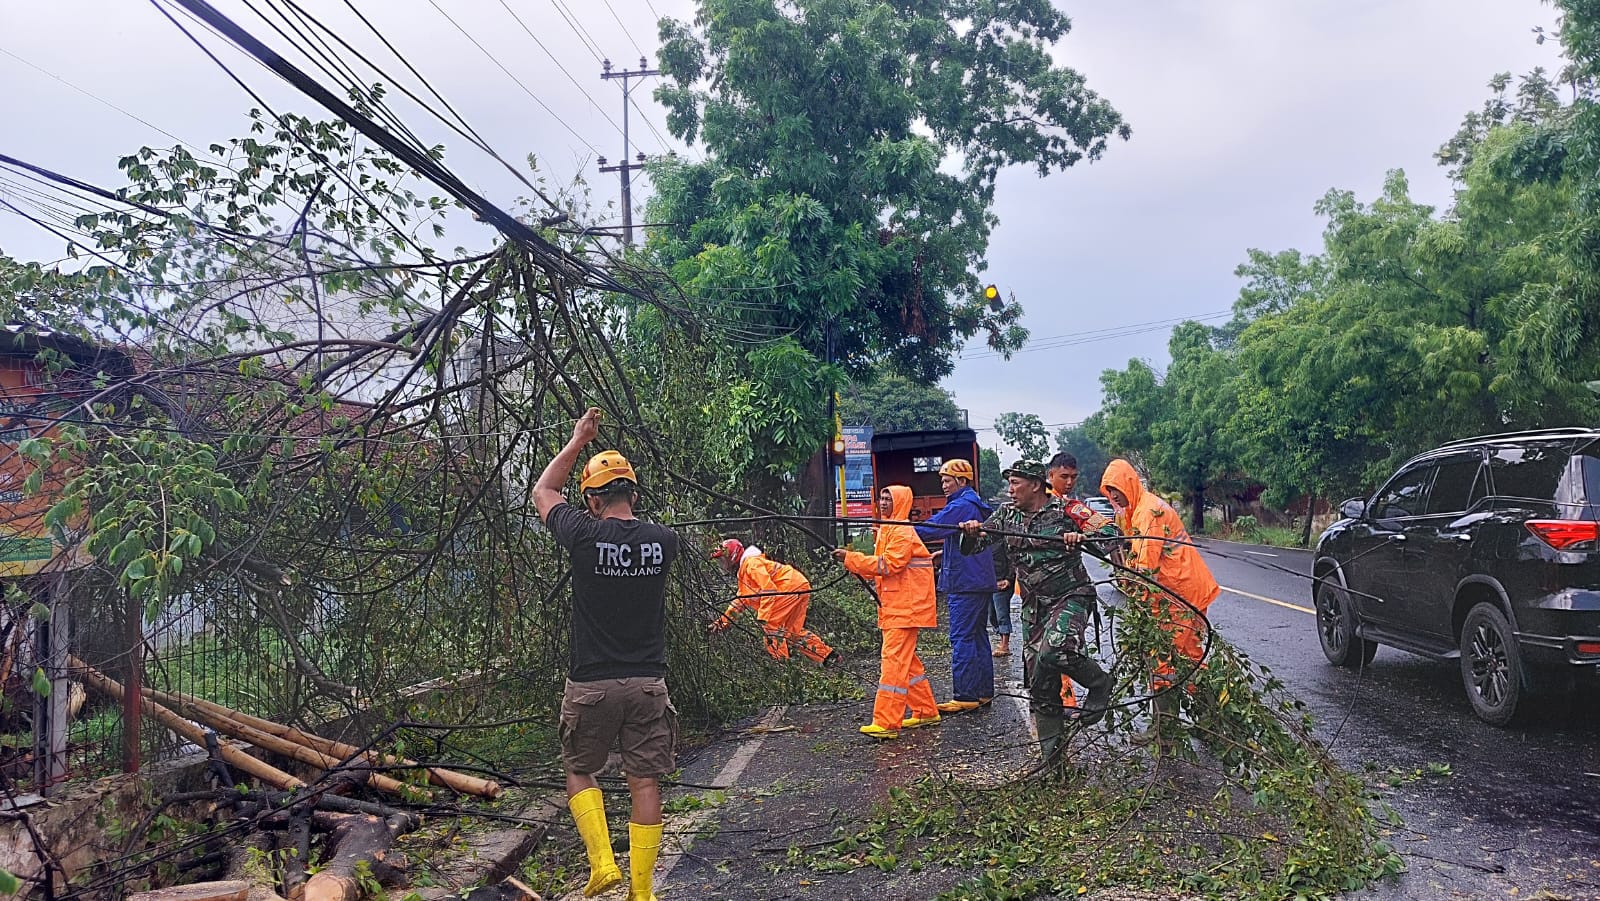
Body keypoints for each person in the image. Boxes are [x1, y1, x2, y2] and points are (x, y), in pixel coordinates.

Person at [534, 408, 678, 901]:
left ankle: (602, 866)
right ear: (634, 494)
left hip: (591, 682)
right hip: (646, 684)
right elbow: (643, 534)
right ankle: (642, 892)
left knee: (580, 768)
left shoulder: (581, 533)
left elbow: (543, 492)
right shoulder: (664, 542)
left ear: (593, 501)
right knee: (644, 781)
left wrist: (578, 440)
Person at [958, 461, 1119, 765]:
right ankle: (1053, 764)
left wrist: (1082, 537)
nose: (1010, 489)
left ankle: (1100, 683)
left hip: (1070, 596)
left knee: (1054, 650)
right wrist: (970, 532)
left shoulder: (1068, 510)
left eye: (1015, 483)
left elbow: (1112, 536)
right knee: (1041, 687)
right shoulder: (1006, 514)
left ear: (1035, 484)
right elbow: (973, 548)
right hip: (1035, 608)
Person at [1098, 459, 1221, 742]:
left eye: (1116, 489)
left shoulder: (1149, 512)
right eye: (1109, 491)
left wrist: (1137, 605)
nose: (1113, 496)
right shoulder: (1138, 509)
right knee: (1181, 659)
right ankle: (1205, 723)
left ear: (1129, 483)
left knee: (1171, 660)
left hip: (1180, 596)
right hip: (1175, 593)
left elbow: (1145, 568)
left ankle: (1171, 729)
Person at [833, 485, 940, 739]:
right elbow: (882, 567)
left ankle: (886, 722)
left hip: (905, 607)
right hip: (898, 606)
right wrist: (852, 561)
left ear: (900, 502)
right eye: (881, 498)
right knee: (907, 663)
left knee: (893, 662)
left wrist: (851, 559)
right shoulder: (889, 529)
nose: (882, 502)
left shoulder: (900, 531)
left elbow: (888, 565)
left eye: (888, 499)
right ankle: (925, 711)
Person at [913, 459, 998, 713]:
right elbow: (958, 539)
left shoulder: (962, 504)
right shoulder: (972, 503)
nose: (943, 486)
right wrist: (945, 553)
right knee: (978, 636)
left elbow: (929, 529)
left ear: (961, 481)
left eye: (947, 481)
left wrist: (896, 529)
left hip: (966, 583)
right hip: (978, 580)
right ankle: (983, 693)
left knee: (961, 638)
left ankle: (965, 695)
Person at [708, 538, 838, 666]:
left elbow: (769, 589)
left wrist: (763, 618)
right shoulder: (745, 573)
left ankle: (782, 669)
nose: (722, 565)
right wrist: (721, 623)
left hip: (790, 588)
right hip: (798, 585)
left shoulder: (750, 564)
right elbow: (739, 602)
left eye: (722, 560)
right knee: (791, 632)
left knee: (772, 630)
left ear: (732, 556)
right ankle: (829, 657)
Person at [990, 540, 1015, 658]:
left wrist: (1009, 579)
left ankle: (1005, 645)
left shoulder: (1004, 540)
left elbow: (1013, 560)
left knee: (1002, 614)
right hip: (990, 582)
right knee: (992, 615)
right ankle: (1002, 640)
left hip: (1002, 582)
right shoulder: (985, 542)